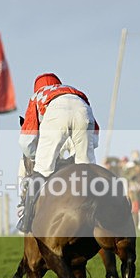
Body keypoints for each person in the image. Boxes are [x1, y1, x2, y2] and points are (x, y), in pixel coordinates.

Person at [17, 73, 99, 232]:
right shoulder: (74, 91)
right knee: (87, 169)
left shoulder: (37, 96)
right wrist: (77, 156)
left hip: (56, 114)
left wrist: (38, 158)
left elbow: (26, 141)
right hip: (84, 110)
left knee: (41, 170)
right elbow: (94, 140)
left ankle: (26, 221)